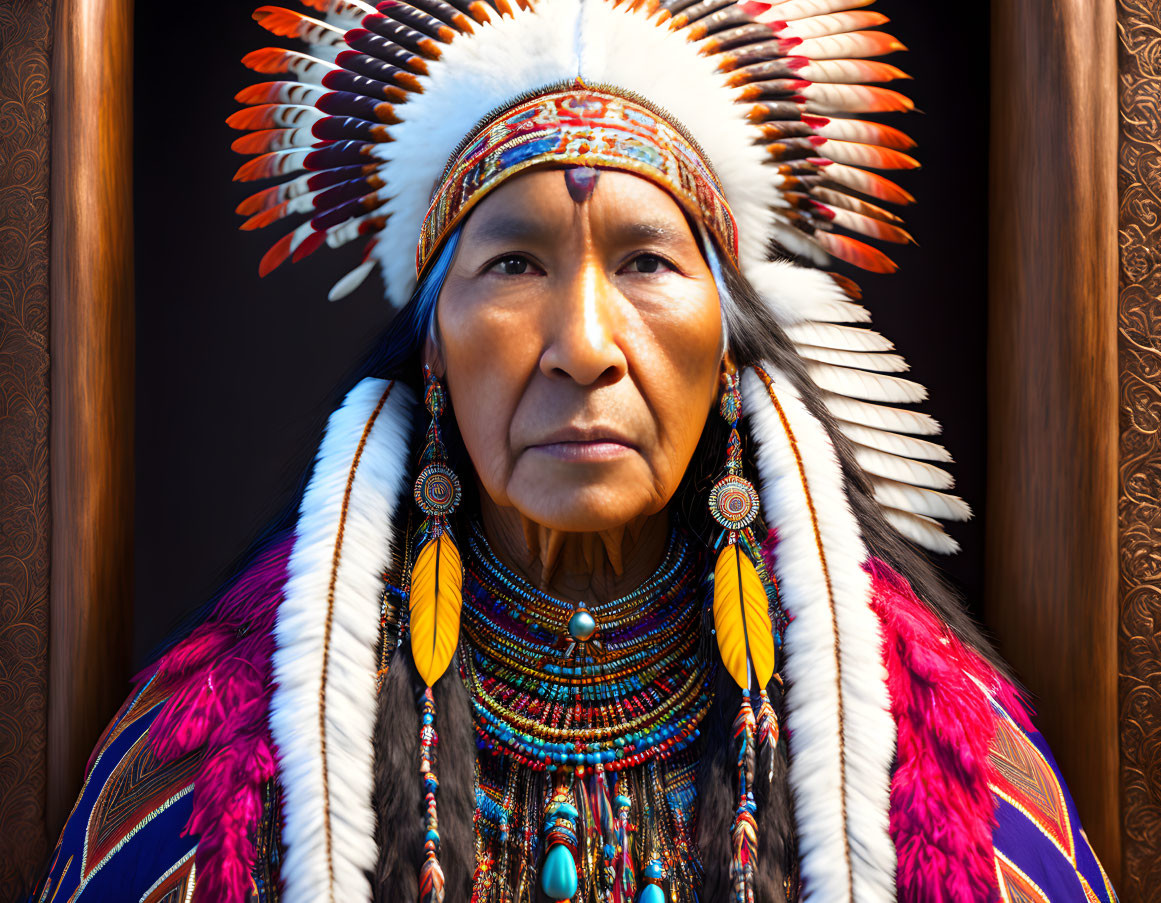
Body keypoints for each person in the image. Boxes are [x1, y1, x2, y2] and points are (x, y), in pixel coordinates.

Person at [32, 0, 1117, 901]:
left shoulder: (936, 755)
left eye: (648, 262)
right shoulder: (228, 745)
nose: (585, 346)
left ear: (726, 351)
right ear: (435, 352)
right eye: (512, 266)